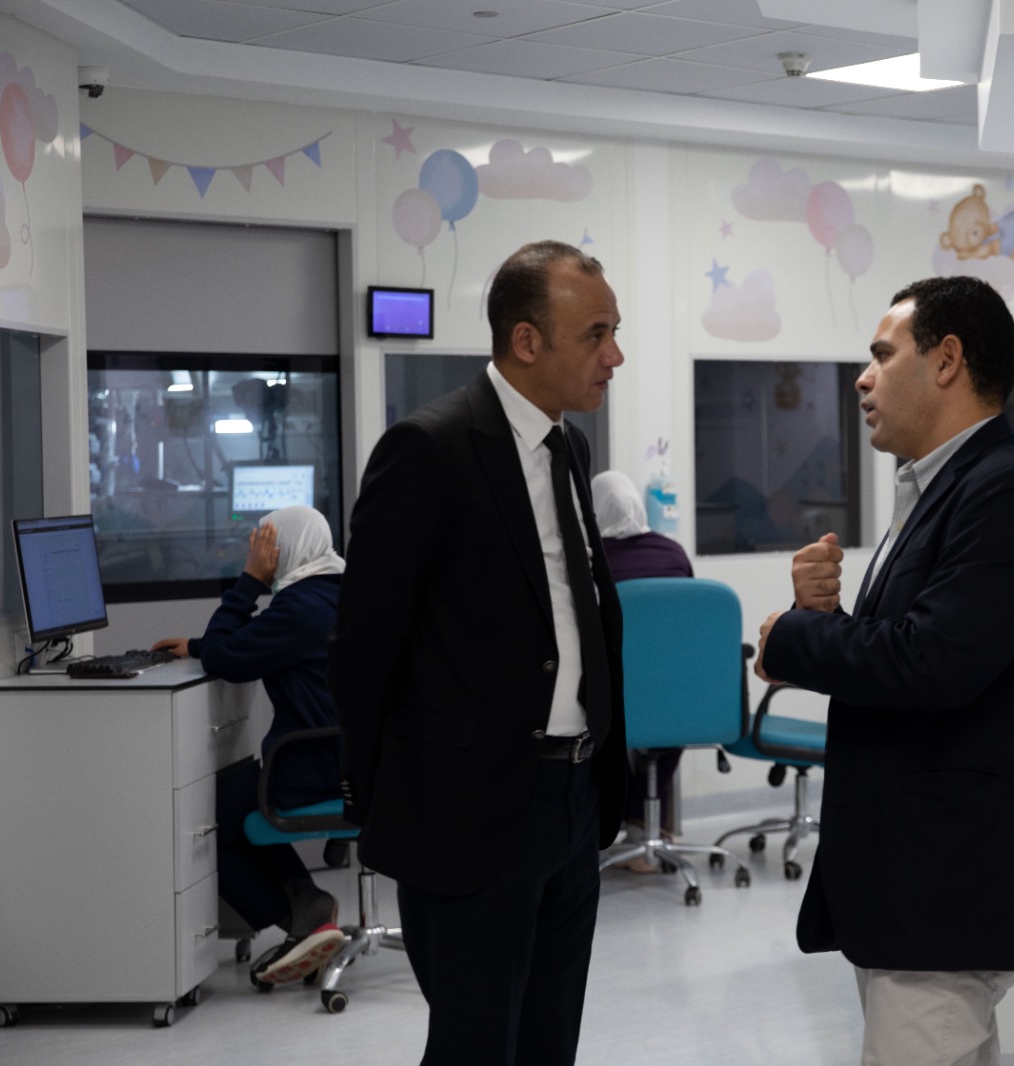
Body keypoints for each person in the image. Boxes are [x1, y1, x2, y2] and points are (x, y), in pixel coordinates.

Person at [755, 275, 1014, 1066]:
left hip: (950, 888)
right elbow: (904, 650)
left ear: (946, 361)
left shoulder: (1010, 494)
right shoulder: (940, 493)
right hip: (915, 882)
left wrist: (793, 637)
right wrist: (820, 615)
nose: (862, 379)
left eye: (881, 355)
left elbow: (928, 663)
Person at [329, 240, 627, 1066]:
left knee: (548, 1043)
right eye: (596, 334)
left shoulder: (569, 450)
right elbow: (364, 645)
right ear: (527, 341)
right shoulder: (431, 448)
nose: (614, 355)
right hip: (469, 809)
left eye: (615, 333)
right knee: (475, 1046)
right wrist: (385, 801)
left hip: (573, 799)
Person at [152, 504, 348, 987]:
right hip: (355, 761)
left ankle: (300, 918)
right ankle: (306, 904)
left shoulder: (298, 608)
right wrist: (198, 645)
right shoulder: (337, 591)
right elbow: (247, 644)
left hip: (317, 765)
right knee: (236, 791)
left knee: (203, 819)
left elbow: (227, 658)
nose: (258, 555)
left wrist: (250, 580)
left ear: (285, 551)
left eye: (264, 548)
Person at [591, 470, 691, 869]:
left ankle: (619, 823)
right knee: (672, 724)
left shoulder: (592, 560)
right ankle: (644, 824)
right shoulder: (674, 553)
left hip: (615, 694)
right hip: (676, 697)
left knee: (607, 729)